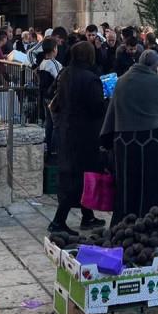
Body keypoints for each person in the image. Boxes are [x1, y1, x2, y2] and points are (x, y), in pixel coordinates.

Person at [100, 50, 158, 225]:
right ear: (155, 65)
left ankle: (124, 219)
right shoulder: (156, 81)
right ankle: (151, 219)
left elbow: (113, 108)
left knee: (127, 182)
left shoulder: (122, 81)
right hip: (151, 139)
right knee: (151, 182)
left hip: (124, 140)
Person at [47, 41, 108, 234]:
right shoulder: (91, 79)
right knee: (79, 178)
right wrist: (107, 100)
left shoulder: (65, 73)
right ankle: (58, 221)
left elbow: (52, 94)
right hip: (85, 134)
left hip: (66, 130)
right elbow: (97, 108)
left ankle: (87, 216)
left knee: (76, 175)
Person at [36, 38, 63, 156]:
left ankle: (48, 147)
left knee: (49, 123)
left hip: (44, 96)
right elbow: (60, 78)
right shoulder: (54, 64)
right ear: (54, 49)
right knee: (56, 124)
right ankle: (55, 150)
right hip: (53, 97)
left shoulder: (42, 63)